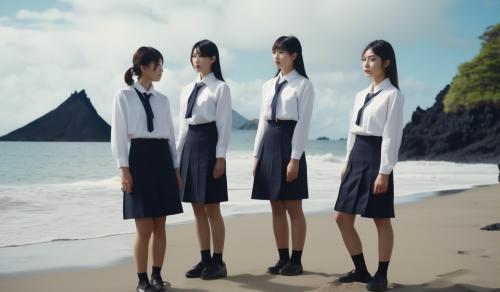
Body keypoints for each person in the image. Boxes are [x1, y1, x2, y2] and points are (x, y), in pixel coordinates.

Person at [334, 40, 404, 292]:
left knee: (380, 219)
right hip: (357, 158)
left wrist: (385, 171)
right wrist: (346, 160)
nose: (366, 63)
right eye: (364, 59)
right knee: (342, 218)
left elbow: (391, 136)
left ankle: (381, 274)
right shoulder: (360, 95)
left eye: (372, 59)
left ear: (386, 63)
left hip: (377, 158)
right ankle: (361, 270)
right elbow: (352, 131)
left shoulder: (392, 95)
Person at [111, 46, 183, 292]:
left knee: (161, 226)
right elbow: (118, 136)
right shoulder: (124, 96)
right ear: (143, 67)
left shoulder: (163, 100)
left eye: (162, 65)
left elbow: (171, 137)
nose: (161, 70)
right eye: (157, 65)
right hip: (139, 160)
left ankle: (157, 277)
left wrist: (175, 168)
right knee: (144, 229)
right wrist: (124, 169)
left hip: (162, 160)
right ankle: (142, 280)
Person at [252, 35, 314, 276]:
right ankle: (282, 258)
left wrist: (295, 158)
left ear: (294, 55)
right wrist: (256, 155)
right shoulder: (268, 85)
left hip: (290, 142)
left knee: (293, 206)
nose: (276, 57)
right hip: (270, 142)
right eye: (274, 52)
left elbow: (303, 124)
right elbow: (262, 122)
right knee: (275, 205)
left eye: (281, 52)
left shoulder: (303, 85)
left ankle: (296, 261)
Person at [177, 39, 232, 280]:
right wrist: (176, 159)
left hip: (210, 144)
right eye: (193, 55)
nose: (196, 60)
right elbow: (182, 127)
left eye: (201, 55)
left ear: (213, 59)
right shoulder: (186, 89)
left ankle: (218, 262)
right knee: (197, 208)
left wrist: (220, 157)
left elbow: (224, 126)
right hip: (190, 144)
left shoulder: (220, 88)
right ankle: (204, 259)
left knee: (212, 208)